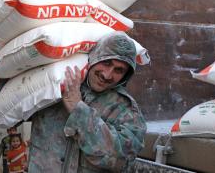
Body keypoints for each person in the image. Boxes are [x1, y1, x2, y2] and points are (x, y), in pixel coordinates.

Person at [28, 31, 147, 172]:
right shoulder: (54, 84)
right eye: (106, 62)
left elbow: (119, 159)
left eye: (119, 70)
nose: (107, 75)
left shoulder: (126, 109)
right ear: (95, 57)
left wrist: (79, 111)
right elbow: (10, 113)